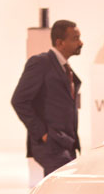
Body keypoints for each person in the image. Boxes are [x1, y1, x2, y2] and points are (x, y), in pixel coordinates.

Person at [11, 19, 83, 176]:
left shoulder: (65, 67)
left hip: (66, 143)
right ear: (60, 42)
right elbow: (19, 101)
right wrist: (43, 133)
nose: (80, 43)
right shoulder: (41, 63)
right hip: (52, 144)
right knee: (59, 187)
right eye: (75, 39)